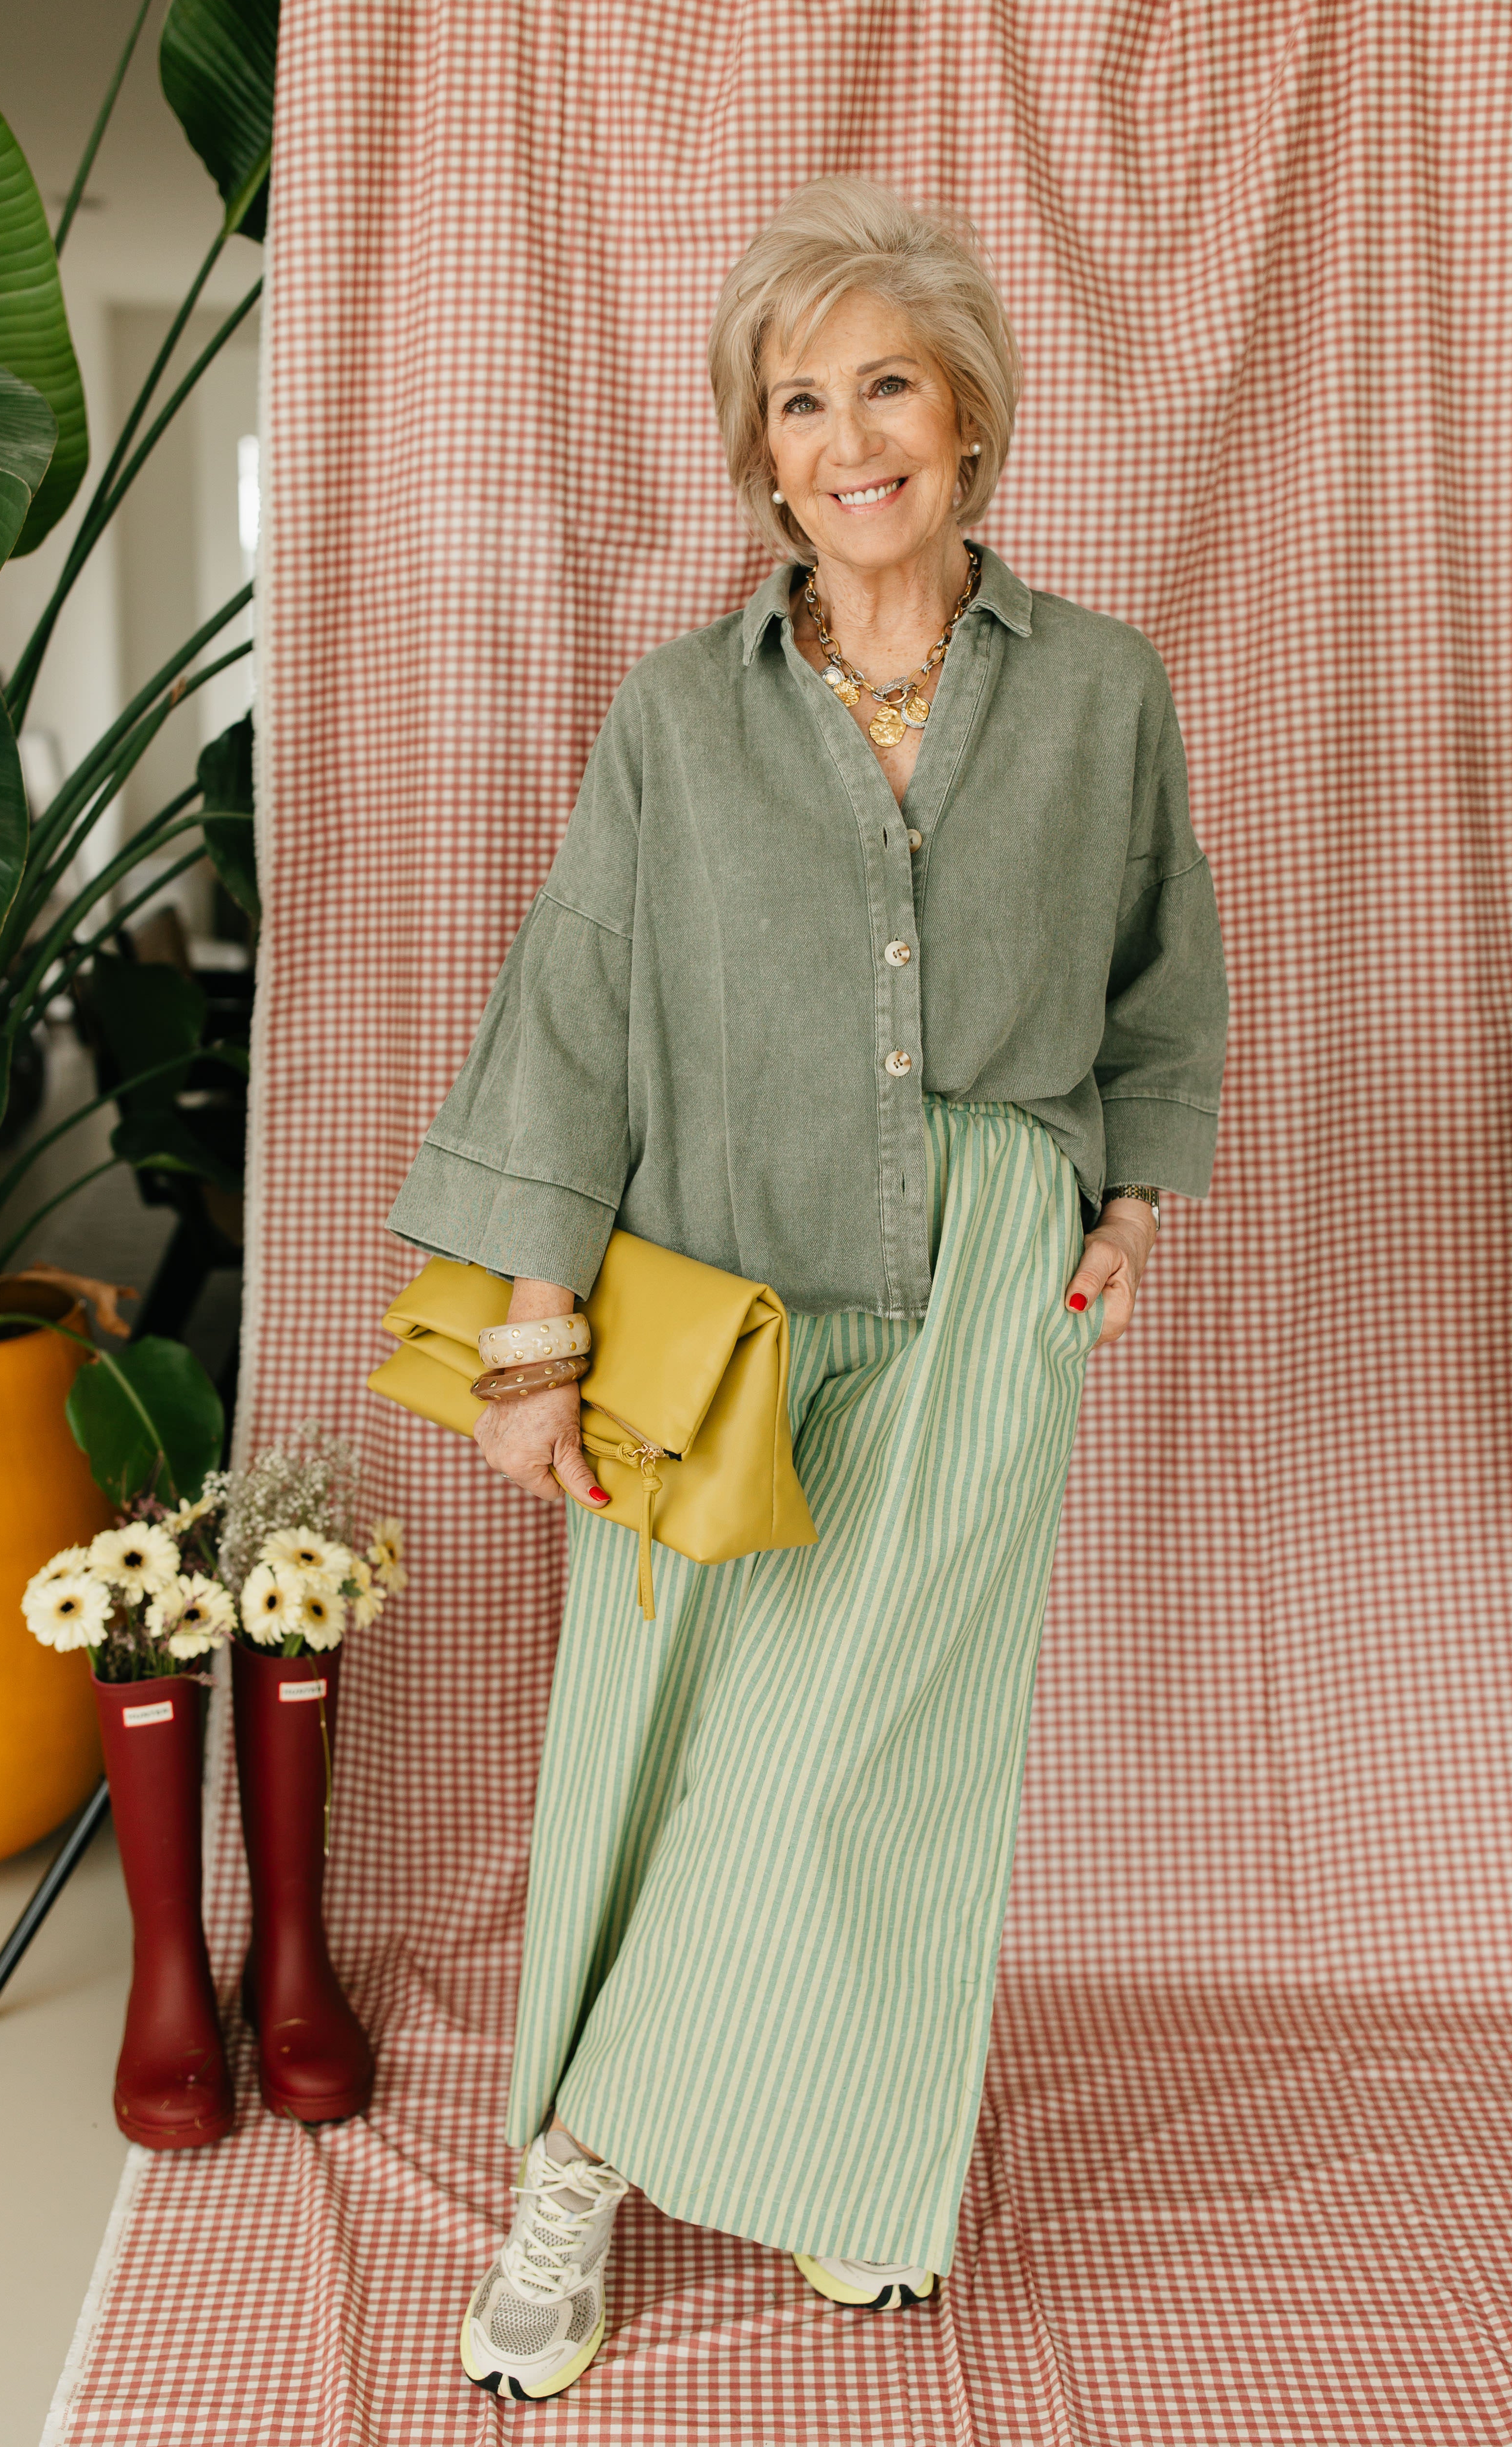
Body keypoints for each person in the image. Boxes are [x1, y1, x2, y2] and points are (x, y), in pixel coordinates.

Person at [386, 175, 1228, 2404]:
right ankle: (711, 2140)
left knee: (865, 1751)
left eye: (888, 386)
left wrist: (1132, 1212)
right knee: (659, 1732)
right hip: (715, 1277)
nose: (849, 439)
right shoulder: (677, 719)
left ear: (968, 419)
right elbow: (574, 1015)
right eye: (798, 401)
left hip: (987, 1287)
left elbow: (1166, 974)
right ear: (758, 455)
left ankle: (620, 2166)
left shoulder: (1103, 692)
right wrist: (532, 1332)